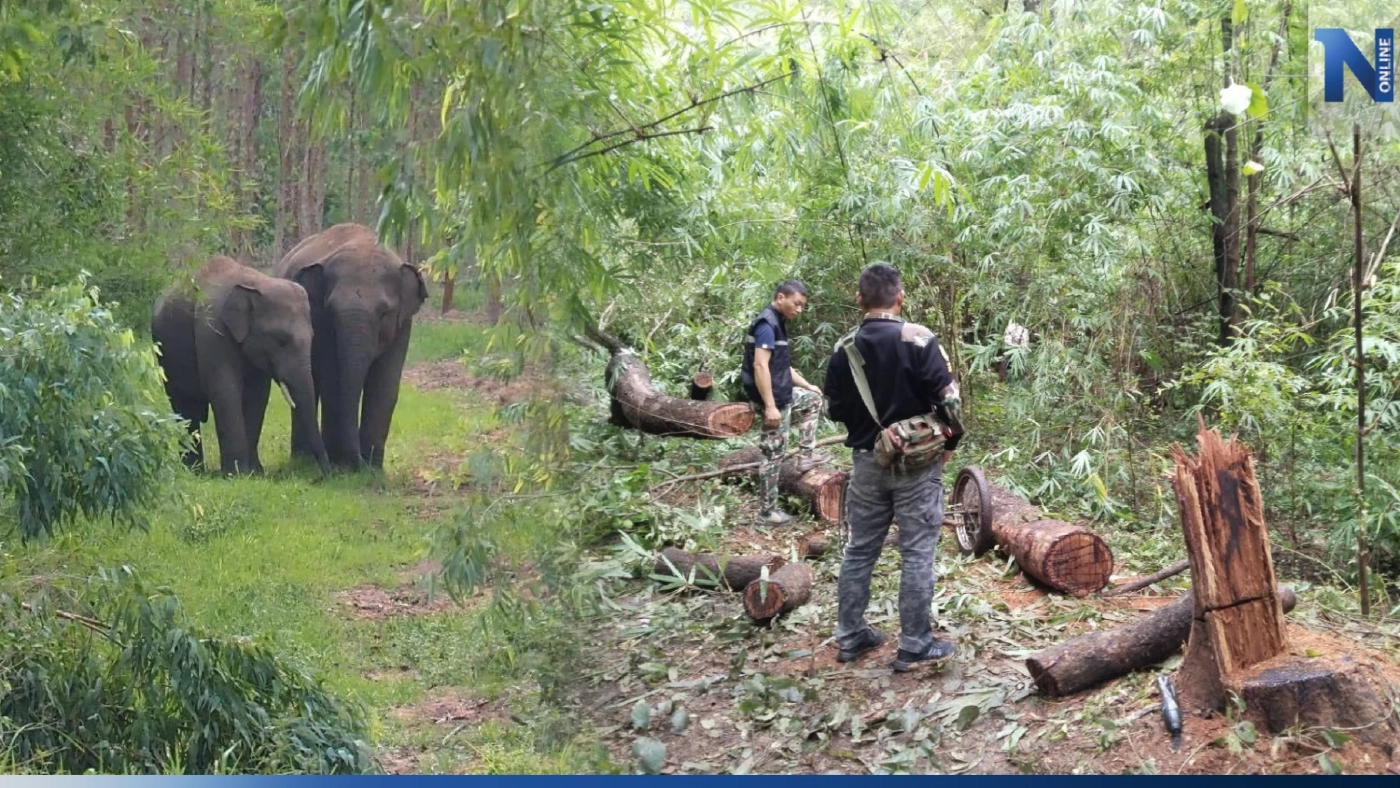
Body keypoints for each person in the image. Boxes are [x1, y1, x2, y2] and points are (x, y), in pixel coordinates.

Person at [822, 262, 965, 672]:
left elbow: (833, 410)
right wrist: (949, 443)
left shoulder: (843, 347)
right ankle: (914, 645)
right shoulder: (919, 339)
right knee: (917, 553)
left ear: (860, 299)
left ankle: (850, 638)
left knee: (859, 550)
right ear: (900, 297)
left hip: (867, 462)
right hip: (919, 466)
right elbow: (950, 403)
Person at [741, 280, 826, 526]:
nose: (799, 309)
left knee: (812, 399)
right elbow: (760, 366)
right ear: (781, 297)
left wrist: (807, 385)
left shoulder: (778, 323)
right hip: (773, 400)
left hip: (782, 394)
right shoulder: (766, 324)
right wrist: (769, 406)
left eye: (802, 306)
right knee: (773, 455)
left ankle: (806, 456)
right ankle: (767, 513)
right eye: (796, 303)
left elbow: (782, 367)